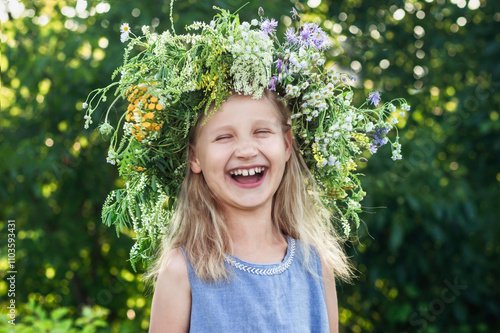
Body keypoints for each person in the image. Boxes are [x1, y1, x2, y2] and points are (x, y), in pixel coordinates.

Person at [147, 90, 352, 332]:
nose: (246, 150)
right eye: (224, 137)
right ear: (195, 157)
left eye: (261, 132)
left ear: (287, 144)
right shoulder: (182, 270)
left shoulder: (316, 266)